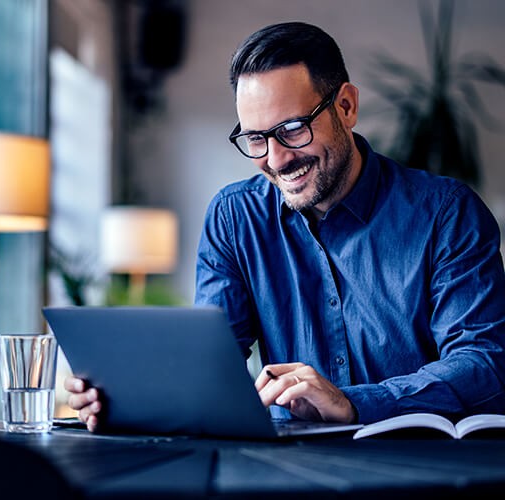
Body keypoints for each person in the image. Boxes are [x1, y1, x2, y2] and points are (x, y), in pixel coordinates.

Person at [66, 21, 505, 431]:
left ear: (346, 106)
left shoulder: (447, 212)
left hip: (421, 468)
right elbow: (211, 366)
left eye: (293, 129)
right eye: (256, 138)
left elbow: (485, 361)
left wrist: (356, 403)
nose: (276, 160)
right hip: (289, 467)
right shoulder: (234, 218)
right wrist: (127, 401)